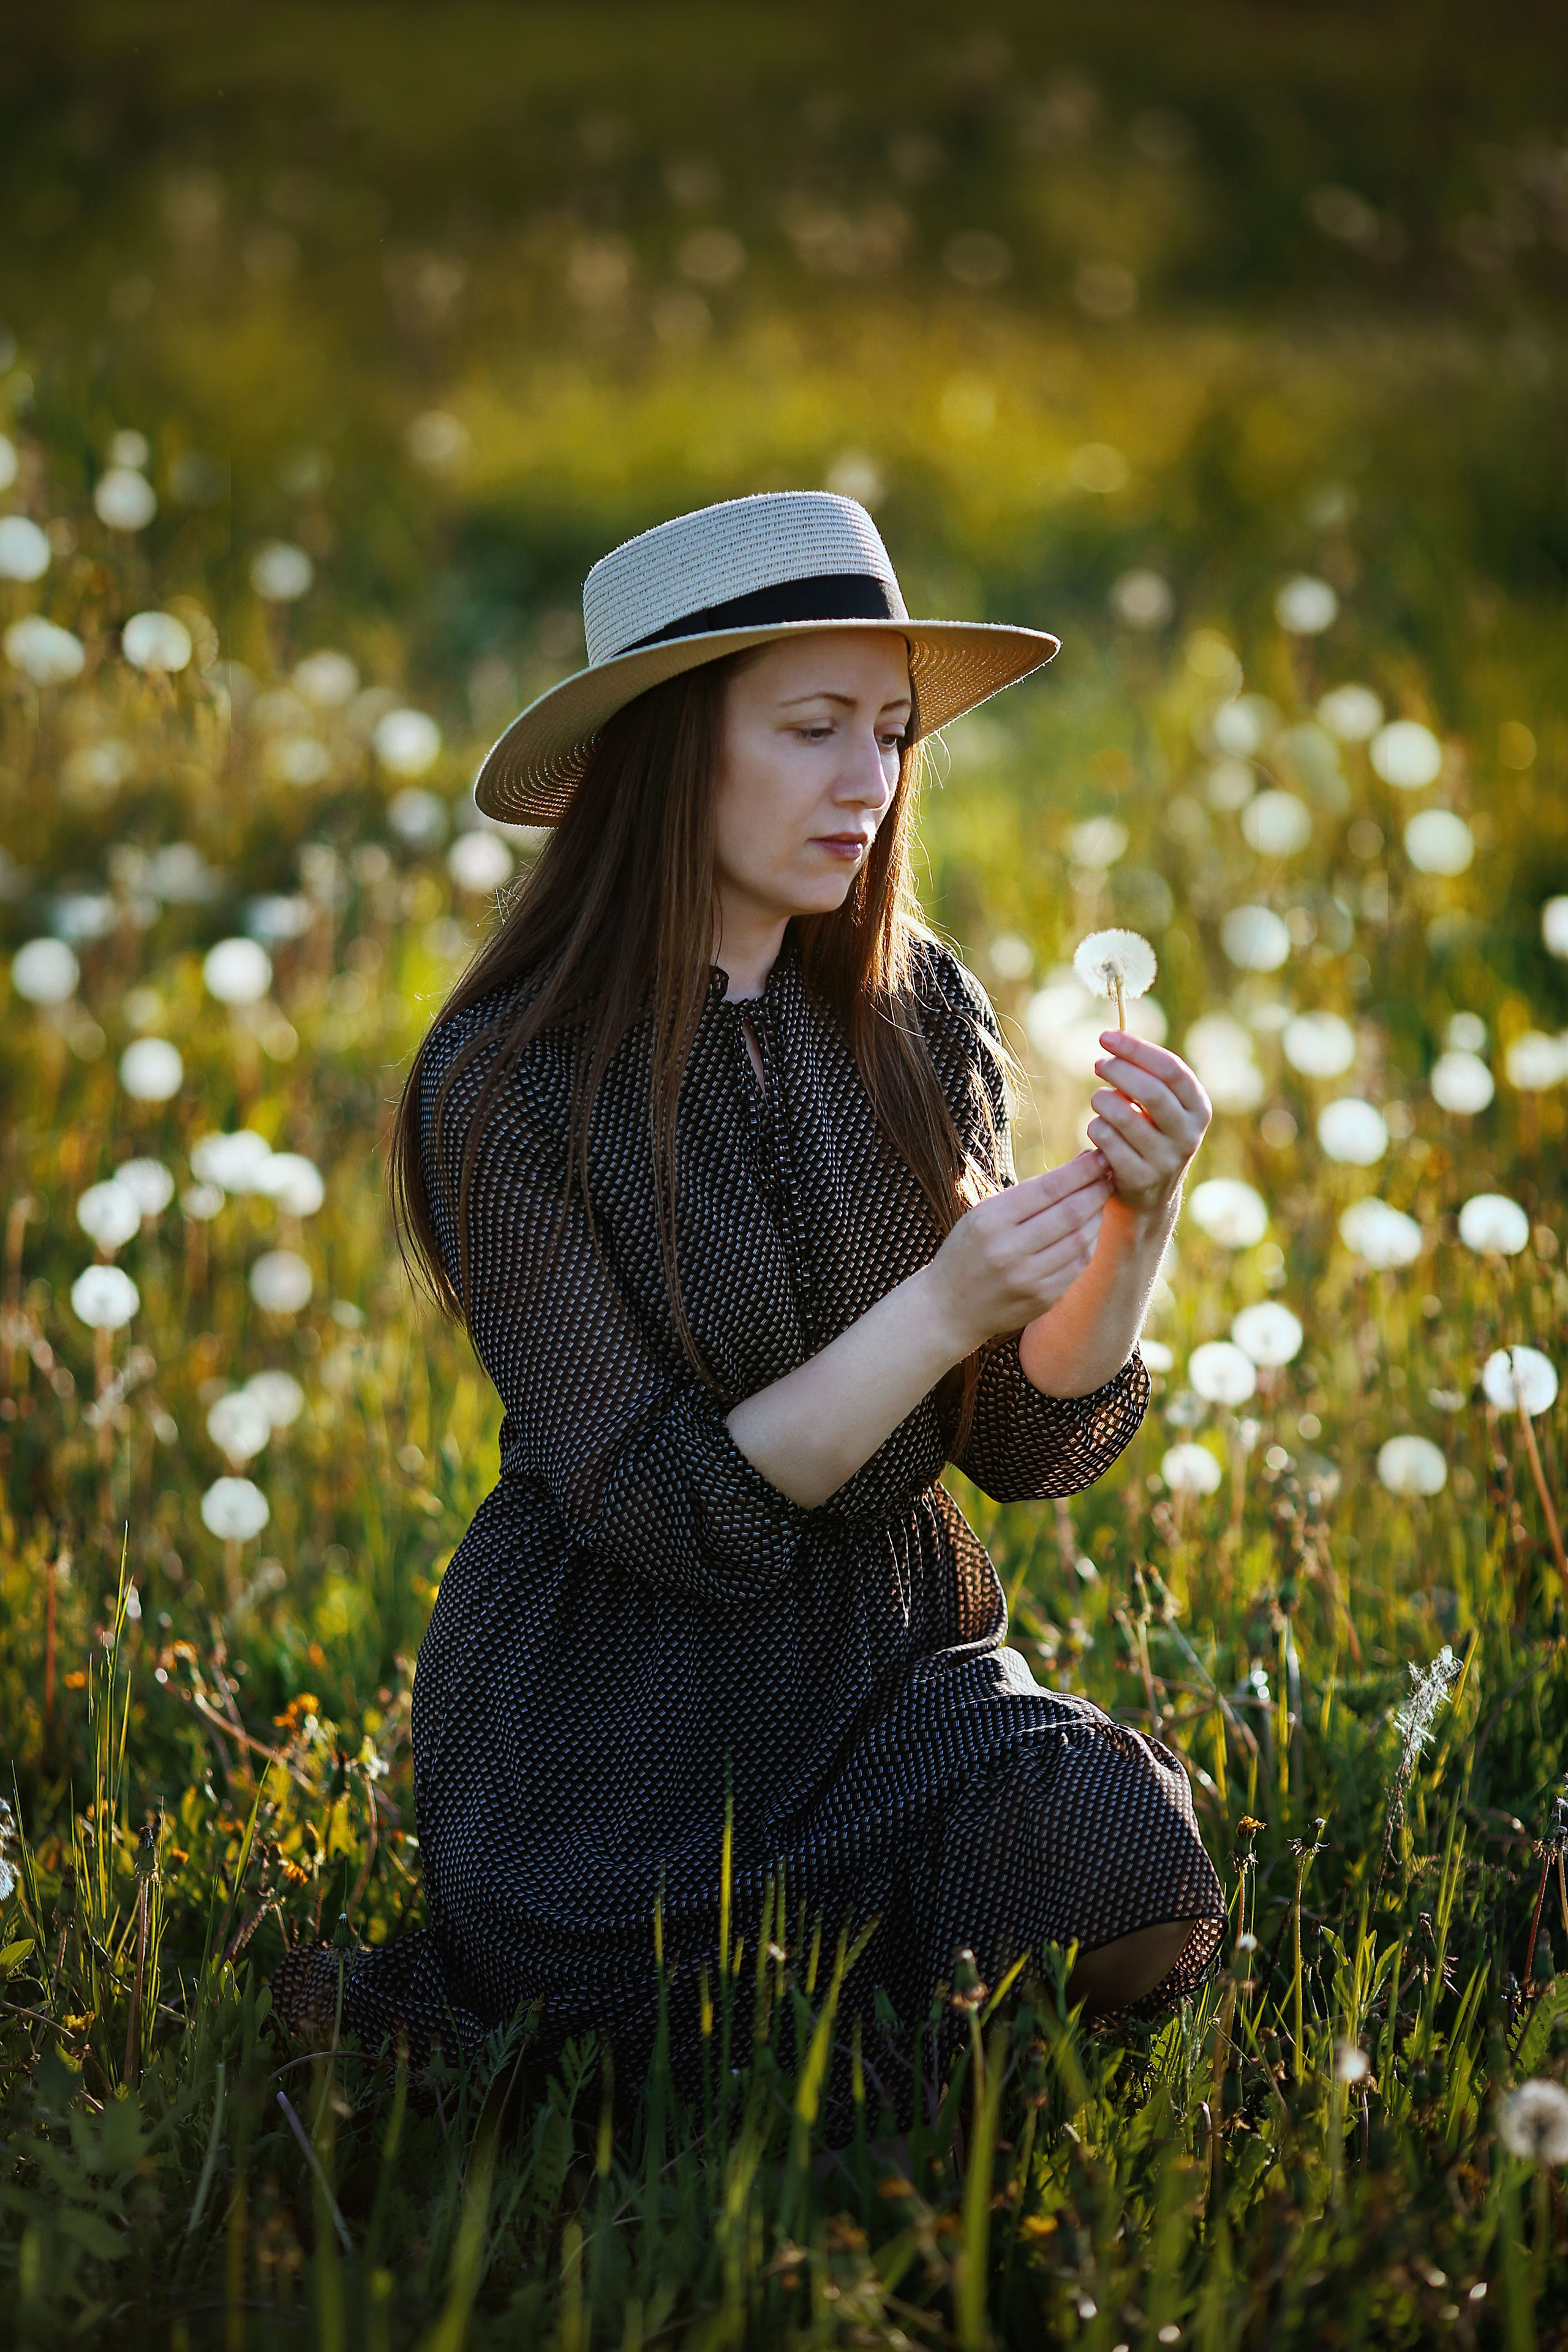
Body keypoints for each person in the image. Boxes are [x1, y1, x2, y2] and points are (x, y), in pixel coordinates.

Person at [272, 492, 1223, 2098]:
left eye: (892, 733)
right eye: (812, 728)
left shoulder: (914, 1011)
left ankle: (858, 2052)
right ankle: (842, 2073)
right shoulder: (510, 1081)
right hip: (616, 1718)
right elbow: (663, 1506)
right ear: (667, 749)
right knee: (643, 2026)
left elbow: (1020, 1436)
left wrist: (1140, 1220)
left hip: (886, 1678)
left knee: (1136, 1856)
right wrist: (937, 1310)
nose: (869, 783)